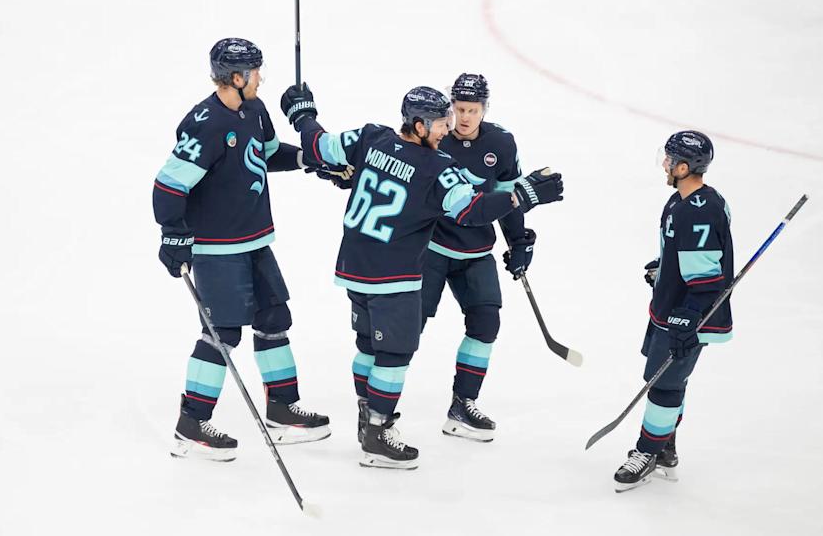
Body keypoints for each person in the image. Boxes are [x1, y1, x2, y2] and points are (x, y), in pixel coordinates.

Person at [280, 81, 564, 469]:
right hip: (394, 274)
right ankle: (378, 431)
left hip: (354, 267)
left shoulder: (370, 137)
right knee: (395, 353)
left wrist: (303, 116)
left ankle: (370, 418)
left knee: (368, 345)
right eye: (439, 123)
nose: (448, 127)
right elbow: (471, 211)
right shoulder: (436, 168)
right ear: (417, 125)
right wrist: (522, 195)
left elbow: (320, 147)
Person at [152, 38, 331, 462]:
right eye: (255, 72)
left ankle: (283, 408)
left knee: (274, 317)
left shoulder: (255, 110)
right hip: (216, 249)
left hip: (254, 239)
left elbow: (268, 155)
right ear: (237, 77)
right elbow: (169, 184)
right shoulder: (206, 123)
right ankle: (191, 423)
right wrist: (173, 234)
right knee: (222, 332)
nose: (261, 78)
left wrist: (311, 159)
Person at [614, 130, 733, 492]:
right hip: (668, 307)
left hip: (686, 315)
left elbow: (707, 278)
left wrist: (690, 314)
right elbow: (681, 256)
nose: (664, 164)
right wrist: (662, 268)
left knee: (663, 386)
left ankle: (648, 452)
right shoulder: (680, 201)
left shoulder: (700, 211)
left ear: (683, 166)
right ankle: (665, 448)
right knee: (666, 380)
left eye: (669, 159)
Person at [420, 73, 533, 442]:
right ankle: (377, 408)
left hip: (475, 253)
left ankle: (462, 405)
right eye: (459, 109)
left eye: (473, 110)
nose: (464, 117)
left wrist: (518, 241)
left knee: (486, 325)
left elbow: (507, 196)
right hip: (431, 250)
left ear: (485, 108)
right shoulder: (434, 137)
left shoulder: (501, 143)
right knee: (406, 330)